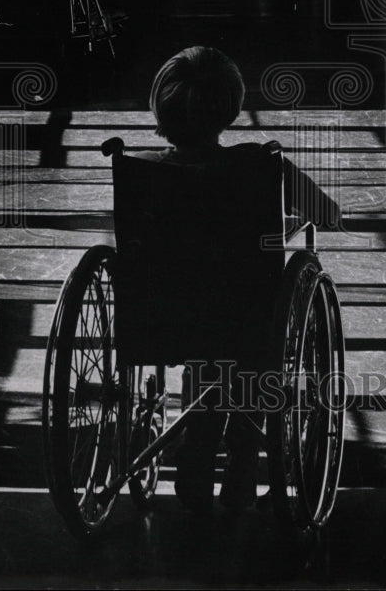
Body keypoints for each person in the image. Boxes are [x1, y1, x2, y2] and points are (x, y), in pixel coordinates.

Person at [136, 46, 339, 512]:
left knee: (200, 349)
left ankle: (196, 455)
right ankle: (244, 456)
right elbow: (326, 213)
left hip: (167, 317)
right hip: (247, 318)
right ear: (228, 108)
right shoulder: (258, 165)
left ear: (162, 107)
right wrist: (281, 229)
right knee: (241, 345)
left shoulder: (143, 173)